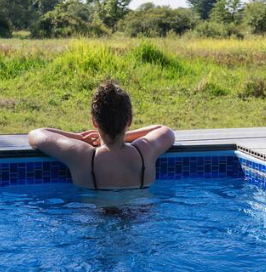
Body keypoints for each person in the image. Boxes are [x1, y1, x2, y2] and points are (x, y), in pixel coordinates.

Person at [28, 80, 176, 190]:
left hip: (96, 219)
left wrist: (79, 137)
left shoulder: (81, 155)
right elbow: (164, 130)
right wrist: (126, 134)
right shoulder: (145, 151)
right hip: (138, 220)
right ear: (129, 120)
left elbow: (36, 134)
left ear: (94, 122)